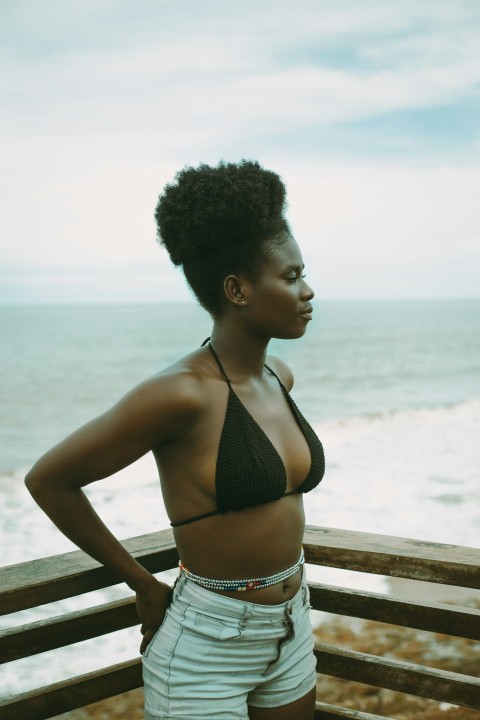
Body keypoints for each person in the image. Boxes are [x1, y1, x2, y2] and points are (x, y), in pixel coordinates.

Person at [25, 160, 325, 720]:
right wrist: (141, 584)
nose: (307, 291)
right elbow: (50, 480)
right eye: (289, 277)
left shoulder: (279, 377)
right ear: (236, 289)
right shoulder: (180, 394)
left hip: (292, 629)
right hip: (206, 646)